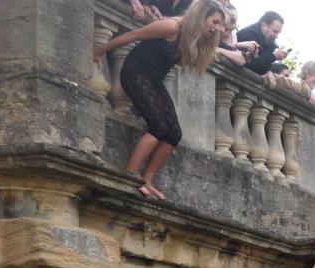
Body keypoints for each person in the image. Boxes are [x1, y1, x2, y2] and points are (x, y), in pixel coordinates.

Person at [96, 0, 225, 200]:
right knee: (158, 127)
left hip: (153, 79)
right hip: (135, 72)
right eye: (214, 22)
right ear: (202, 16)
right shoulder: (172, 26)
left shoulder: (191, 37)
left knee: (174, 133)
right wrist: (99, 51)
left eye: (219, 25)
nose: (217, 29)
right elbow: (132, 35)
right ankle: (129, 176)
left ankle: (147, 180)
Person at [236, 11, 287, 85]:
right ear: (264, 26)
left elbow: (262, 68)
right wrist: (273, 56)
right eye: (275, 31)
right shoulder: (249, 34)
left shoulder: (270, 44)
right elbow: (251, 66)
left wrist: (269, 71)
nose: (276, 36)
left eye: (278, 33)